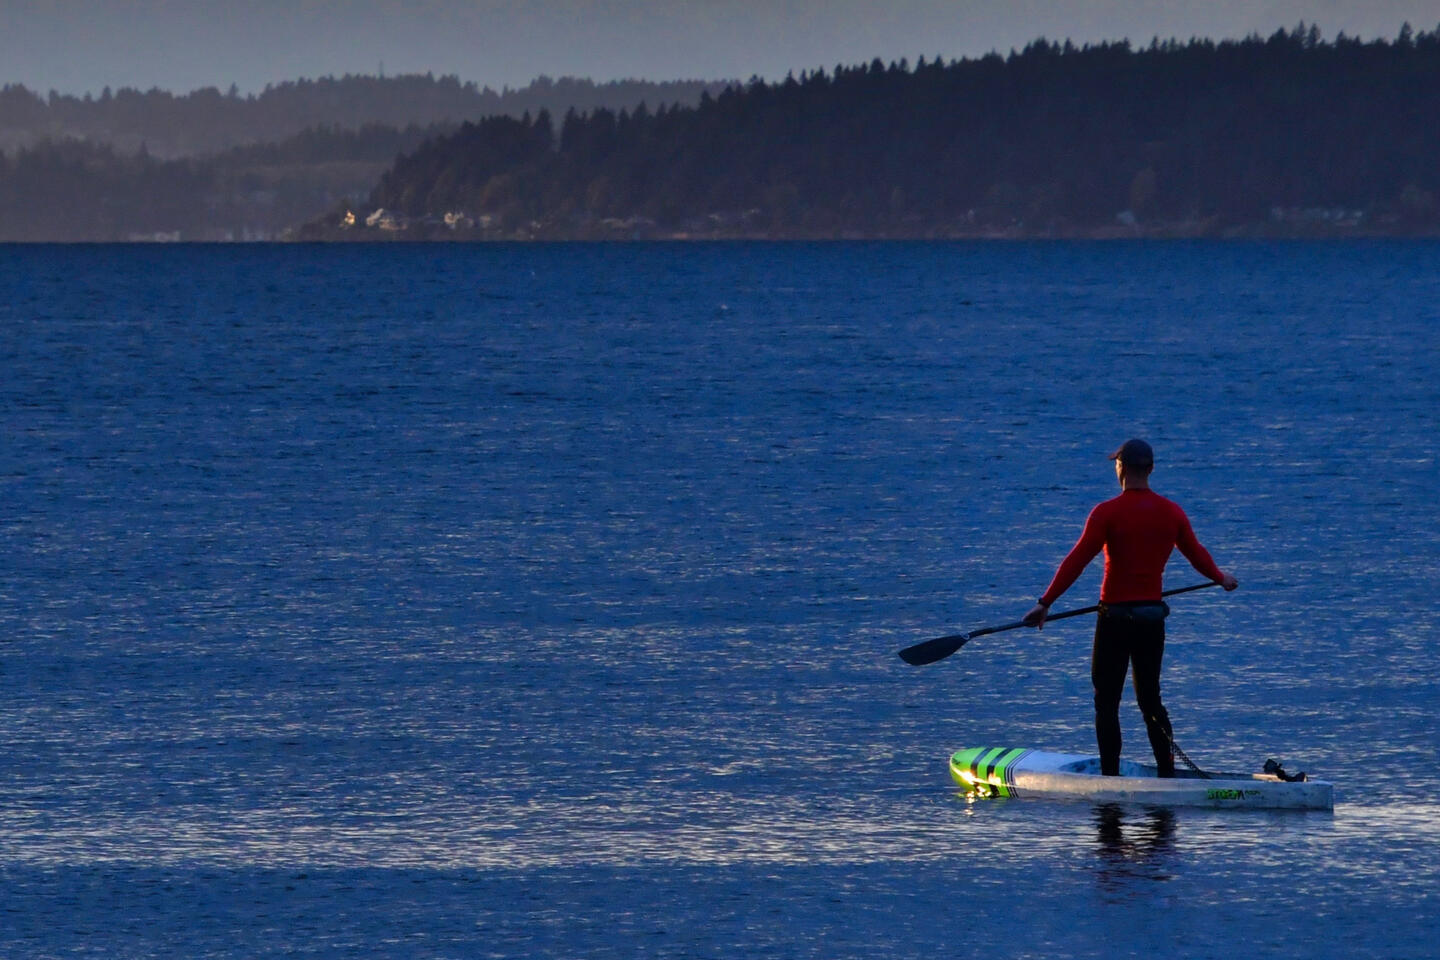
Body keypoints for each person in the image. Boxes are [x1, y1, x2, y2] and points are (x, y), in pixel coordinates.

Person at [1021, 439, 1238, 777]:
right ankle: (1167, 773)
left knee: (1106, 702)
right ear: (1150, 469)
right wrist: (1221, 577)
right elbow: (1197, 554)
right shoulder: (1172, 512)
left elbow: (1076, 561)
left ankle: (1110, 777)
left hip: (1115, 619)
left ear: (1119, 467)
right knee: (1150, 700)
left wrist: (1044, 603)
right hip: (1152, 619)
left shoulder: (1106, 512)